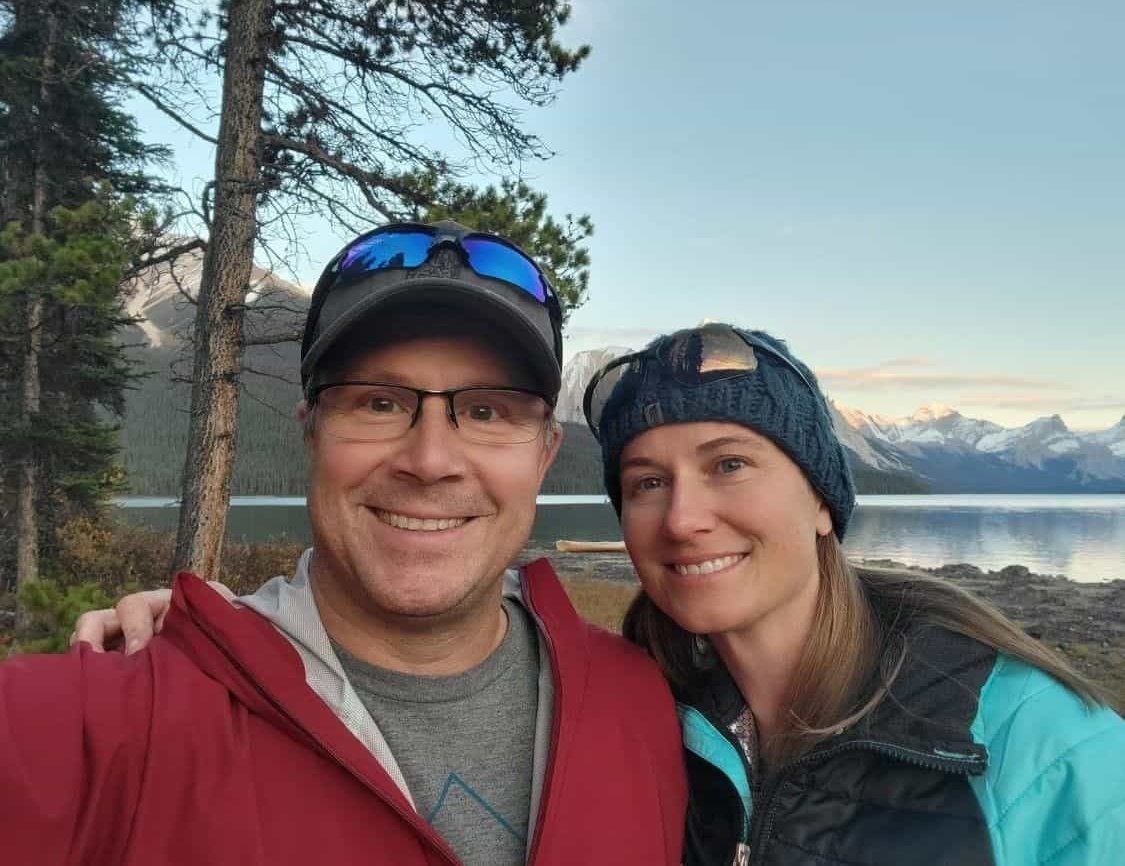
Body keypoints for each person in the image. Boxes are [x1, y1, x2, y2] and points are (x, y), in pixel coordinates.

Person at [0, 221, 686, 866]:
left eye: (486, 411)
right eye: (379, 403)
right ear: (311, 433)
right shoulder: (116, 722)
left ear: (545, 452)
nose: (429, 459)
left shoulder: (642, 701)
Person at [582, 322, 1125, 865]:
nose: (682, 520)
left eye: (730, 465)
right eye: (648, 483)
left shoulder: (1043, 745)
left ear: (822, 502)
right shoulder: (631, 722)